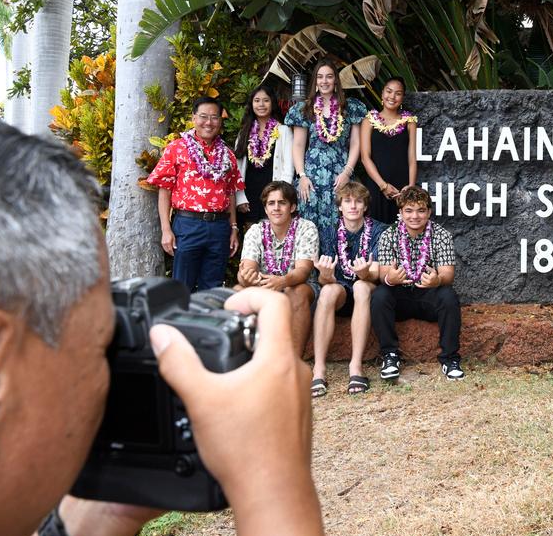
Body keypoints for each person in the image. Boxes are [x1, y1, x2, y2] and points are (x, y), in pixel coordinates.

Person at [0, 104, 326, 536]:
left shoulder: (226, 155)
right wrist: (273, 479)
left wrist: (87, 524)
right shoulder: (181, 149)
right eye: (105, 342)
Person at [148, 96, 243, 292]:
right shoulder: (176, 148)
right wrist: (166, 230)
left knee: (213, 288)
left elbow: (231, 192)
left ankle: (207, 322)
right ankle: (179, 323)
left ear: (220, 121)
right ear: (193, 118)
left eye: (214, 117)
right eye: (203, 116)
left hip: (219, 227)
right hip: (188, 224)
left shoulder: (227, 154)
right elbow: (164, 190)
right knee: (182, 286)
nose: (209, 122)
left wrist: (233, 228)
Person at [372, 186, 464, 381]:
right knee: (380, 294)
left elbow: (448, 274)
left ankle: (450, 359)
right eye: (409, 210)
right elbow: (382, 273)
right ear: (400, 212)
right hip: (400, 295)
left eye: (421, 210)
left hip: (428, 294)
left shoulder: (441, 235)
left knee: (449, 296)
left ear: (429, 212)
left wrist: (437, 280)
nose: (415, 216)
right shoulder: (389, 235)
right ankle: (390, 355)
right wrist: (390, 278)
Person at [311, 182, 387, 396]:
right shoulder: (329, 232)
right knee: (327, 291)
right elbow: (326, 279)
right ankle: (319, 369)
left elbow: (377, 273)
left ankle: (356, 366)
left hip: (367, 288)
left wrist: (365, 273)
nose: (353, 206)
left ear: (365, 206)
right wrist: (325, 276)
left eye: (358, 201)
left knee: (362, 287)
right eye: (347, 201)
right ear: (340, 207)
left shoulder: (379, 230)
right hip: (341, 290)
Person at [238, 181, 319, 356]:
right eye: (271, 203)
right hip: (265, 284)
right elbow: (247, 269)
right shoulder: (255, 231)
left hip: (299, 285)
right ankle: (245, 358)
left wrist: (281, 281)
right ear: (265, 209)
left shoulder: (306, 228)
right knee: (238, 292)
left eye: (282, 203)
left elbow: (303, 271)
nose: (276, 208)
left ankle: (294, 360)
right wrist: (246, 277)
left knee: (295, 292)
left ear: (292, 207)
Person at [287, 59, 368, 231]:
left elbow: (355, 143)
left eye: (329, 77)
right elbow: (299, 145)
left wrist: (347, 172)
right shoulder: (304, 109)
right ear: (315, 81)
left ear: (336, 81)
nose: (324, 81)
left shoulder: (350, 107)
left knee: (341, 222)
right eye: (320, 77)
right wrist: (302, 176)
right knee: (310, 225)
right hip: (312, 176)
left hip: (341, 173)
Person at [360, 76, 418, 223]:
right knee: (376, 229)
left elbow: (412, 158)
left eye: (398, 93)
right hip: (376, 185)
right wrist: (382, 185)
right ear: (382, 93)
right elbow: (365, 157)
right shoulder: (369, 121)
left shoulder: (409, 122)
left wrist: (410, 188)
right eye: (389, 91)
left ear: (402, 97)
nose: (392, 96)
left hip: (401, 188)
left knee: (402, 232)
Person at [234, 85, 292, 226]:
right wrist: (240, 197)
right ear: (251, 104)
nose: (261, 104)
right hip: (249, 196)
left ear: (272, 103)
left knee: (272, 239)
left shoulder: (283, 131)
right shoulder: (244, 132)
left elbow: (288, 167)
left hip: (273, 194)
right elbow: (236, 168)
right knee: (251, 239)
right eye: (257, 100)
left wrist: (282, 197)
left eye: (266, 100)